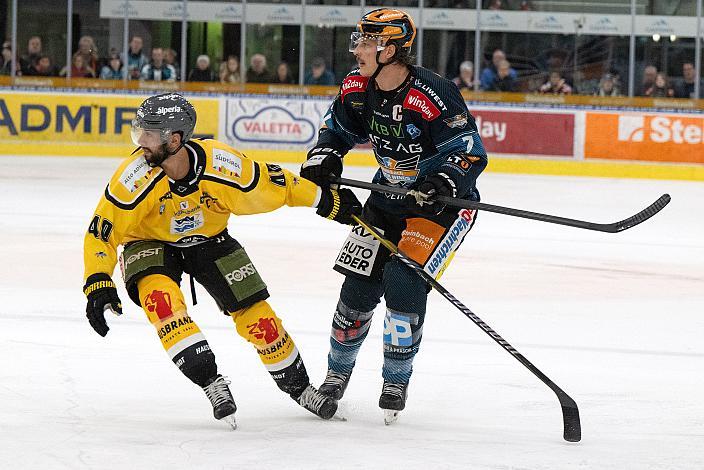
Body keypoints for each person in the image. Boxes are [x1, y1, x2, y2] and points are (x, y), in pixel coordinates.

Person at [82, 93, 362, 428]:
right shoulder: (133, 178)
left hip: (210, 241)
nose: (140, 141)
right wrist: (98, 282)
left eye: (149, 134)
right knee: (162, 302)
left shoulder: (223, 165)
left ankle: (300, 388)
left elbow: (277, 183)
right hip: (149, 242)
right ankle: (210, 381)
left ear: (174, 139)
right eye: (139, 131)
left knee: (261, 319)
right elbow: (101, 232)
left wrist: (325, 200)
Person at [299, 8, 487, 424]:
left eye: (367, 42)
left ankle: (396, 379)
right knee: (357, 287)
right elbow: (337, 130)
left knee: (403, 281)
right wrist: (325, 157)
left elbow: (470, 150)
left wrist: (443, 182)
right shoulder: (356, 86)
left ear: (392, 50)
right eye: (359, 40)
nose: (358, 49)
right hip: (386, 200)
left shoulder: (432, 92)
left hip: (440, 209)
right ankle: (335, 377)